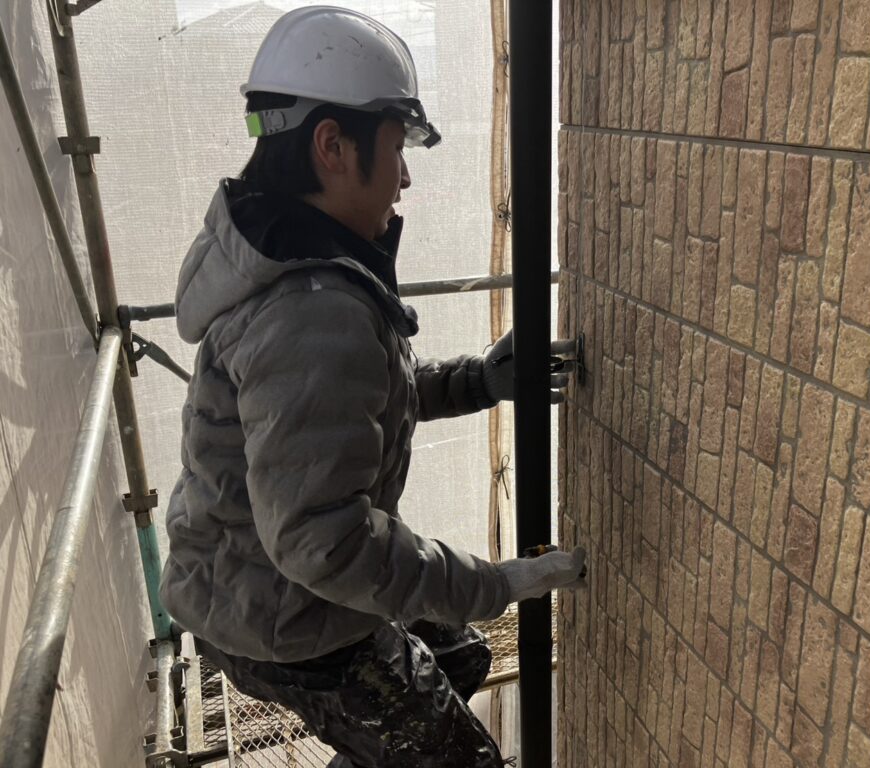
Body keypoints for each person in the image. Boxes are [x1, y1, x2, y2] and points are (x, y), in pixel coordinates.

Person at [158, 6, 587, 767]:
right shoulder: (310, 307)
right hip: (284, 620)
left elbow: (340, 406)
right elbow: (325, 542)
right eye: (395, 148)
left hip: (241, 581)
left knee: (457, 655)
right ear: (332, 146)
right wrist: (498, 583)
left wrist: (473, 383)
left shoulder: (287, 259)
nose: (405, 177)